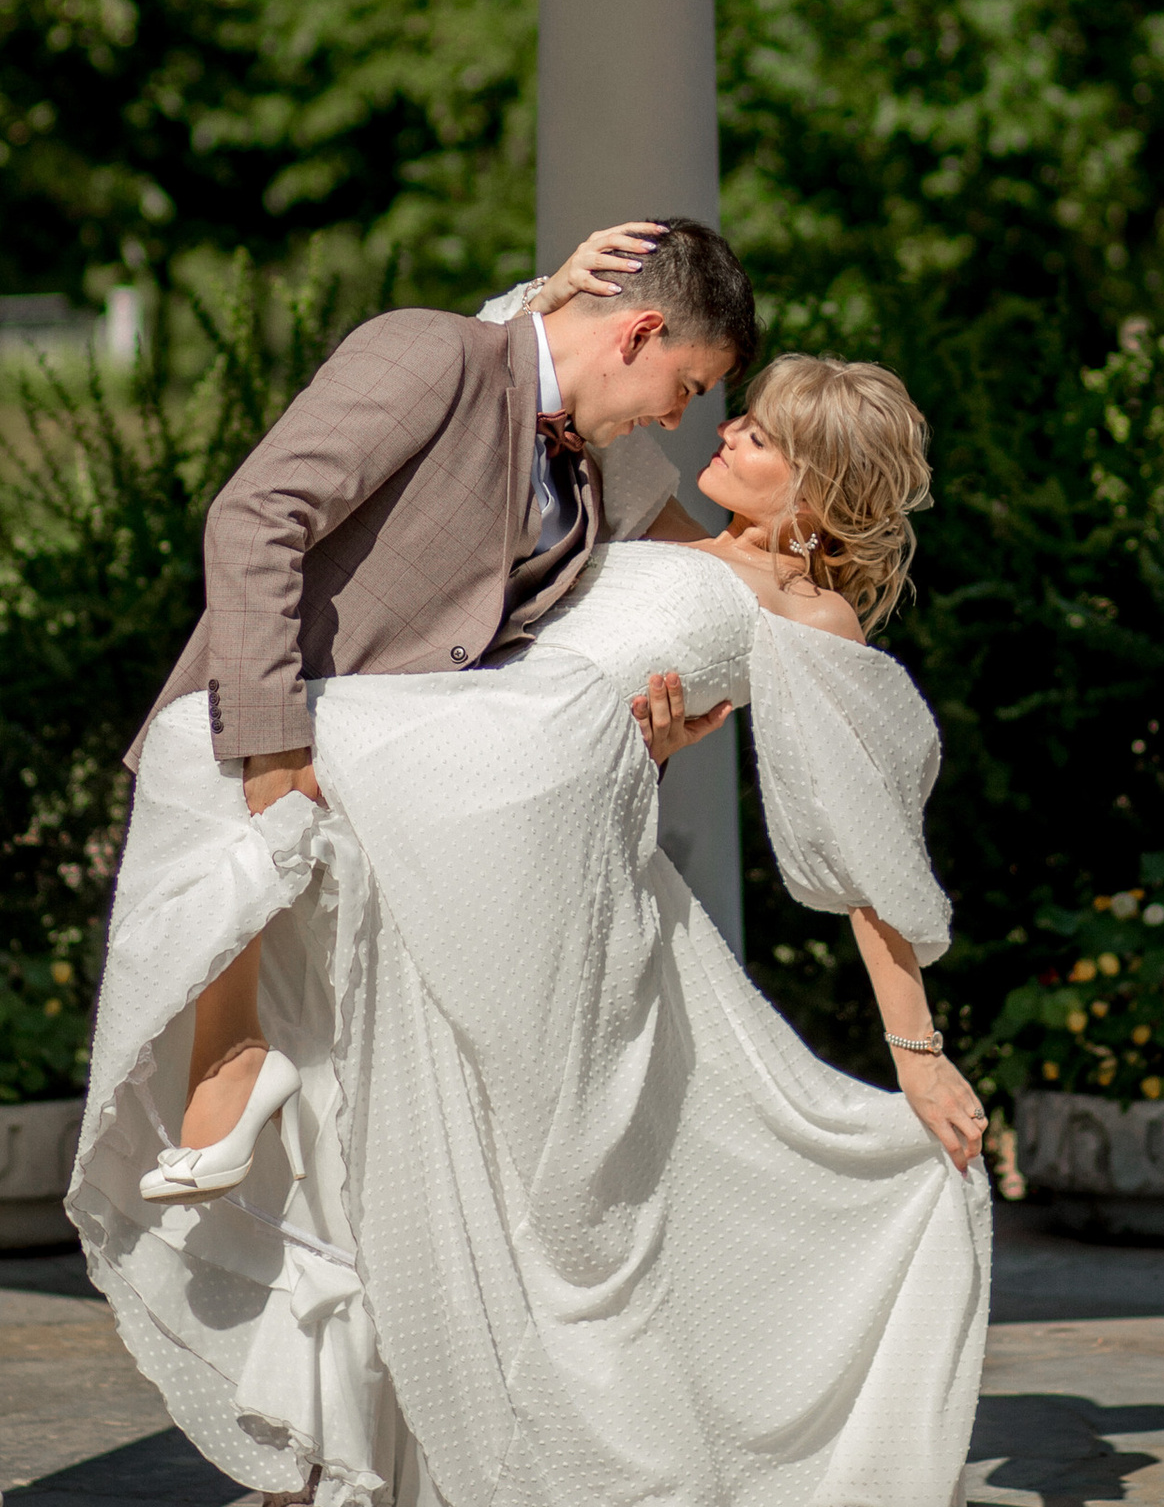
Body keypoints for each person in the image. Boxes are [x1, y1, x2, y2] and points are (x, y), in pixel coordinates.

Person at [70, 256, 992, 1507]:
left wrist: (917, 1042)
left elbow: (861, 845)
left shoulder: (811, 620)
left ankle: (545, 1452)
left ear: (820, 493)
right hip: (486, 758)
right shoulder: (653, 515)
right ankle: (349, 1431)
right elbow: (526, 377)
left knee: (214, 747)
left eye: (761, 433)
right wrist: (551, 281)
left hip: (536, 803)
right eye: (728, 399)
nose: (720, 427)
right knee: (368, 1095)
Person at [125, 218, 755, 1172]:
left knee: (351, 1164)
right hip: (272, 786)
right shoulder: (434, 352)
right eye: (689, 387)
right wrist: (271, 746)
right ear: (637, 334)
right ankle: (234, 1060)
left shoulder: (585, 483)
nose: (676, 419)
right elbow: (256, 517)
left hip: (400, 838)